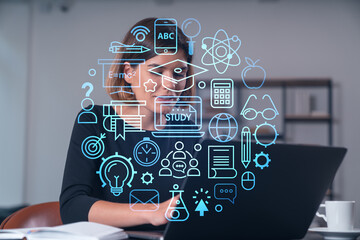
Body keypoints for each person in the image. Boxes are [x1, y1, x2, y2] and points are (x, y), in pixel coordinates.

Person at [59, 18, 199, 229]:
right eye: (157, 71)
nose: (170, 84)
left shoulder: (187, 130)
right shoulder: (94, 121)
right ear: (128, 73)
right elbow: (72, 207)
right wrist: (154, 211)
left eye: (178, 72)